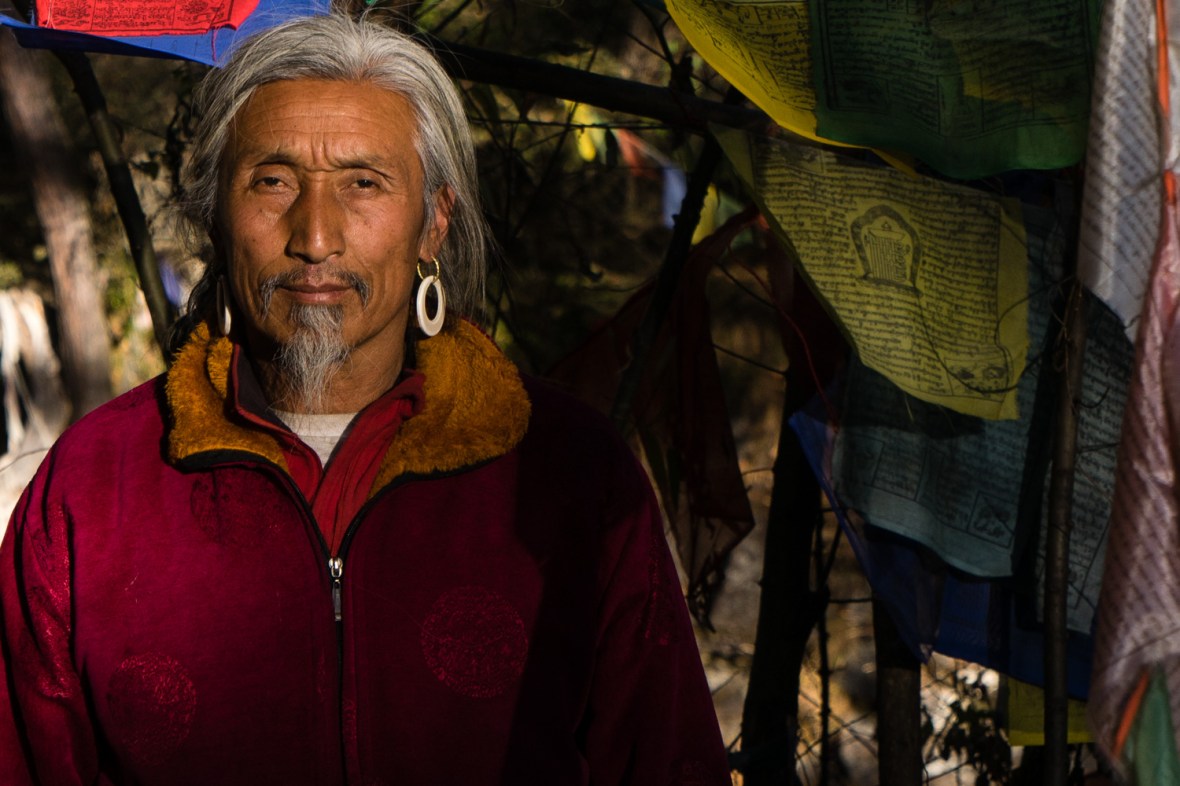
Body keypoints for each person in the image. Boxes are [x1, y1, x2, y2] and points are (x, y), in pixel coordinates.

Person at [0, 12, 731, 785]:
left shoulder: (569, 475)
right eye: (273, 181)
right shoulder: (95, 488)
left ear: (433, 222)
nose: (316, 236)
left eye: (363, 183)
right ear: (216, 213)